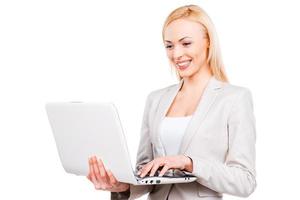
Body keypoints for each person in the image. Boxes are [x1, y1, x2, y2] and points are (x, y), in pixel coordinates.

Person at [87, 4, 256, 200]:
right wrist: (121, 186)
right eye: (169, 45)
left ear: (208, 41)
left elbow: (245, 181)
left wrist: (190, 163)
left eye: (186, 43)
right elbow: (145, 171)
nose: (176, 55)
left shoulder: (234, 99)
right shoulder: (156, 99)